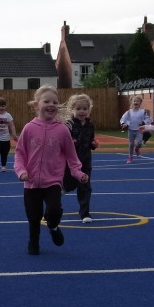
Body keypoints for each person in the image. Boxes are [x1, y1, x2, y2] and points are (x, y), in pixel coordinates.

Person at [14, 85, 89, 255]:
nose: (51, 104)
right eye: (46, 101)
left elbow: (71, 156)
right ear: (36, 105)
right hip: (31, 183)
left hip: (53, 181)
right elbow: (20, 153)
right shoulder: (29, 128)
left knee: (54, 210)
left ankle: (53, 227)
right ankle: (34, 242)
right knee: (33, 217)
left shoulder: (62, 130)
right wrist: (21, 171)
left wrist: (78, 173)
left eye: (55, 102)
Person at [63, 94, 99, 223]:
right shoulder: (69, 125)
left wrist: (93, 144)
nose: (81, 111)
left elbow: (90, 141)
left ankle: (84, 213)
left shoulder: (90, 125)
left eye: (84, 108)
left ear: (89, 110)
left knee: (85, 187)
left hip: (85, 161)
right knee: (69, 184)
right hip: (70, 163)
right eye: (78, 108)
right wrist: (70, 142)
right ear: (72, 109)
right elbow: (63, 143)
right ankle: (63, 189)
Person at [120, 95, 151, 163]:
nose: (136, 102)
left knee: (139, 143)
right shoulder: (128, 112)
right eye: (134, 101)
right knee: (131, 144)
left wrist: (143, 122)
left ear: (140, 103)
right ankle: (130, 157)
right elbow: (123, 119)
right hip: (131, 130)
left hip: (139, 130)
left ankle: (137, 149)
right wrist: (123, 124)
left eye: (137, 101)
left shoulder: (143, 111)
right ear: (132, 102)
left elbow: (148, 119)